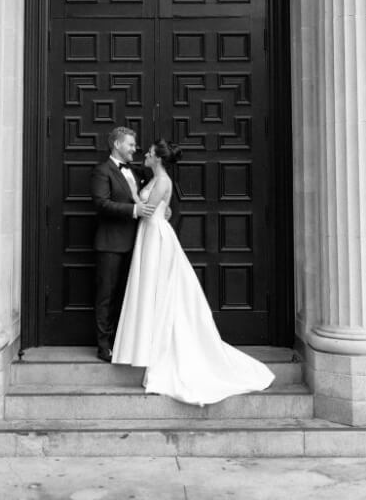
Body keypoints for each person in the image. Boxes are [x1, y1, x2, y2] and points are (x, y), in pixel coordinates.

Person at [112, 138, 275, 406]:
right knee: (152, 289)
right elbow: (164, 208)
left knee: (159, 289)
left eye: (150, 153)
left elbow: (148, 210)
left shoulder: (162, 180)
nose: (146, 155)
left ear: (159, 159)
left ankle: (159, 351)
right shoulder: (156, 179)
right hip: (151, 233)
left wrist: (132, 195)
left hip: (155, 236)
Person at [90, 126, 154, 362]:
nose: (134, 149)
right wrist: (134, 210)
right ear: (117, 144)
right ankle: (104, 346)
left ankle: (124, 342)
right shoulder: (102, 171)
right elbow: (102, 204)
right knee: (106, 296)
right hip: (110, 244)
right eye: (130, 144)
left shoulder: (135, 171)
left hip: (136, 244)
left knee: (128, 297)